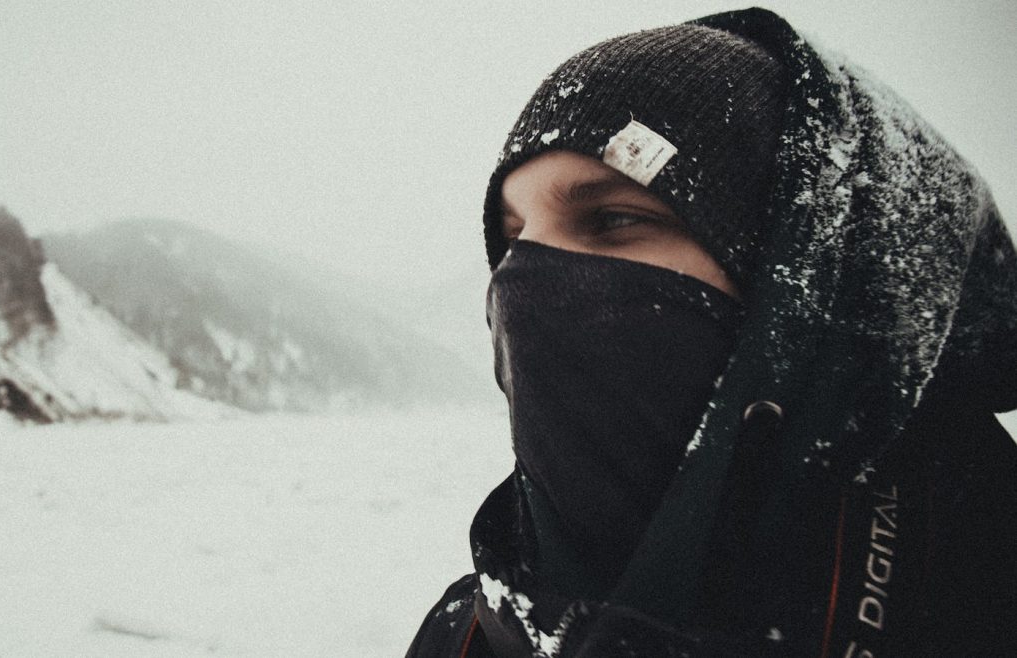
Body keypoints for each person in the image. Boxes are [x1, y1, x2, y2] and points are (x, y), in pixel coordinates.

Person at [407, 7, 1017, 657]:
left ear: (806, 274)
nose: (523, 278)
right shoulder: (467, 633)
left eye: (613, 219)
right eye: (512, 236)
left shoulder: (983, 594)